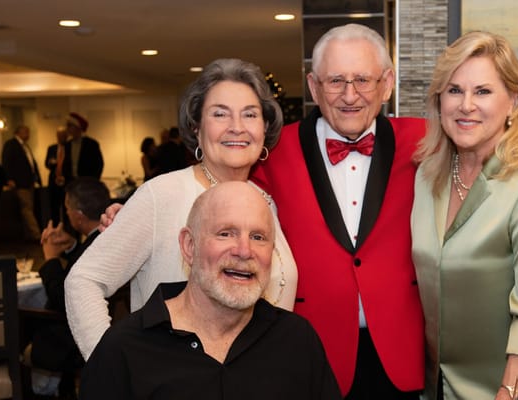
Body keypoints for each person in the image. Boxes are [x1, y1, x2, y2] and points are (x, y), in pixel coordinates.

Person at [250, 24, 518, 399]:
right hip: (316, 358)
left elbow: (494, 141)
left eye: (363, 80)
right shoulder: (273, 152)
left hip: (405, 364)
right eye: (336, 81)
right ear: (313, 86)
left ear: (387, 83)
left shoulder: (422, 144)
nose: (350, 95)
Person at [66, 58, 299, 360]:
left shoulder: (265, 202)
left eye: (250, 114)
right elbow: (83, 280)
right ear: (196, 126)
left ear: (264, 128)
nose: (237, 127)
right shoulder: (162, 195)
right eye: (220, 114)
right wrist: (114, 369)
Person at [410, 31, 518, 399]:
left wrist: (508, 394)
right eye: (454, 90)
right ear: (438, 100)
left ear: (513, 101)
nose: (466, 105)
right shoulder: (426, 178)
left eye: (483, 91)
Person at [80, 181, 340, 400]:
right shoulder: (123, 350)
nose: (244, 250)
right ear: (189, 246)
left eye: (258, 237)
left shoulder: (297, 341)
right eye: (226, 233)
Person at [30, 178, 111, 397]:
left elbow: (63, 297)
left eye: (67, 209)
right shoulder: (106, 238)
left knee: (24, 321)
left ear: (79, 216)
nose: (66, 213)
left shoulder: (93, 248)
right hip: (106, 326)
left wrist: (50, 259)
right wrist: (72, 245)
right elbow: (83, 262)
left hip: (71, 336)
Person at [1, 125, 43, 241]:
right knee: (27, 209)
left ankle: (29, 235)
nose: (28, 134)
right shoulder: (11, 145)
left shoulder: (25, 146)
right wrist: (9, 179)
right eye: (26, 131)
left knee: (28, 208)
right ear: (19, 132)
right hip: (20, 183)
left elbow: (31, 163)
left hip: (29, 182)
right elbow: (6, 162)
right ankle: (36, 234)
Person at [63, 112, 104, 180]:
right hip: (71, 182)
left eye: (70, 126)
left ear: (78, 127)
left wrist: (94, 180)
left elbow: (99, 164)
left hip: (87, 181)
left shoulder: (91, 144)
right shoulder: (67, 145)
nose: (67, 128)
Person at [46, 125, 71, 223]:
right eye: (59, 136)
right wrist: (51, 163)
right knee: (54, 207)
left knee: (67, 207)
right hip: (54, 182)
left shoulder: (70, 147)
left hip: (67, 182)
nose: (61, 138)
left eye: (63, 135)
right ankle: (55, 226)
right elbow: (46, 163)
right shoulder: (51, 148)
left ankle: (67, 227)